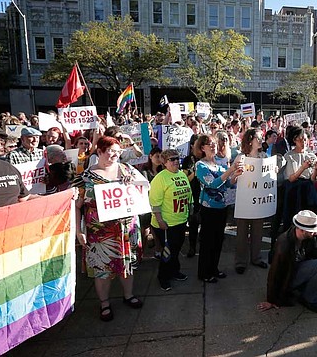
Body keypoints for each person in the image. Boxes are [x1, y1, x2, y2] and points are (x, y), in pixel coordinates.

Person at [74, 136, 144, 322]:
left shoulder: (127, 169)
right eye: (110, 150)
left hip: (126, 229)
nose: (114, 154)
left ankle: (128, 295)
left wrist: (135, 185)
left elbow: (146, 188)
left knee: (127, 265)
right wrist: (78, 230)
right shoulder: (86, 176)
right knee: (102, 268)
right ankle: (104, 302)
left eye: (117, 151)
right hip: (101, 233)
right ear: (99, 152)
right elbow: (77, 205)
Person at [258, 210, 317, 314]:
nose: (315, 233)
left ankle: (306, 289)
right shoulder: (284, 243)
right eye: (312, 231)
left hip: (302, 269)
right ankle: (309, 300)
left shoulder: (309, 237)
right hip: (290, 275)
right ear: (302, 230)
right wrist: (271, 300)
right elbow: (274, 272)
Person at [194, 134, 243, 283]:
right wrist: (231, 170)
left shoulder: (220, 165)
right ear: (202, 148)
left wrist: (236, 175)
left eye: (214, 143)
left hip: (222, 207)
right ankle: (204, 272)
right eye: (209, 144)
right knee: (208, 241)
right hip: (209, 209)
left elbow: (228, 184)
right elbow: (213, 184)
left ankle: (214, 268)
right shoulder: (200, 166)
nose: (213, 146)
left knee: (218, 240)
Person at [149, 149, 192, 291]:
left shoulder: (182, 175)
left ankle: (174, 271)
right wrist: (160, 220)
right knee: (168, 252)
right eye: (171, 159)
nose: (175, 162)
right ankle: (163, 277)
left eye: (177, 158)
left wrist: (190, 209)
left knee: (176, 248)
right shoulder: (160, 179)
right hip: (166, 224)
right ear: (164, 162)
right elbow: (155, 202)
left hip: (180, 220)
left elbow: (188, 194)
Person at [234, 129, 270, 274]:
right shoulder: (240, 158)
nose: (261, 139)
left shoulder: (264, 156)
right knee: (242, 233)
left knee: (258, 231)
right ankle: (240, 262)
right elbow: (233, 180)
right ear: (250, 140)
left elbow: (269, 177)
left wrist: (273, 169)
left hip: (259, 200)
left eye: (261, 137)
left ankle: (256, 258)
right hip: (244, 201)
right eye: (258, 137)